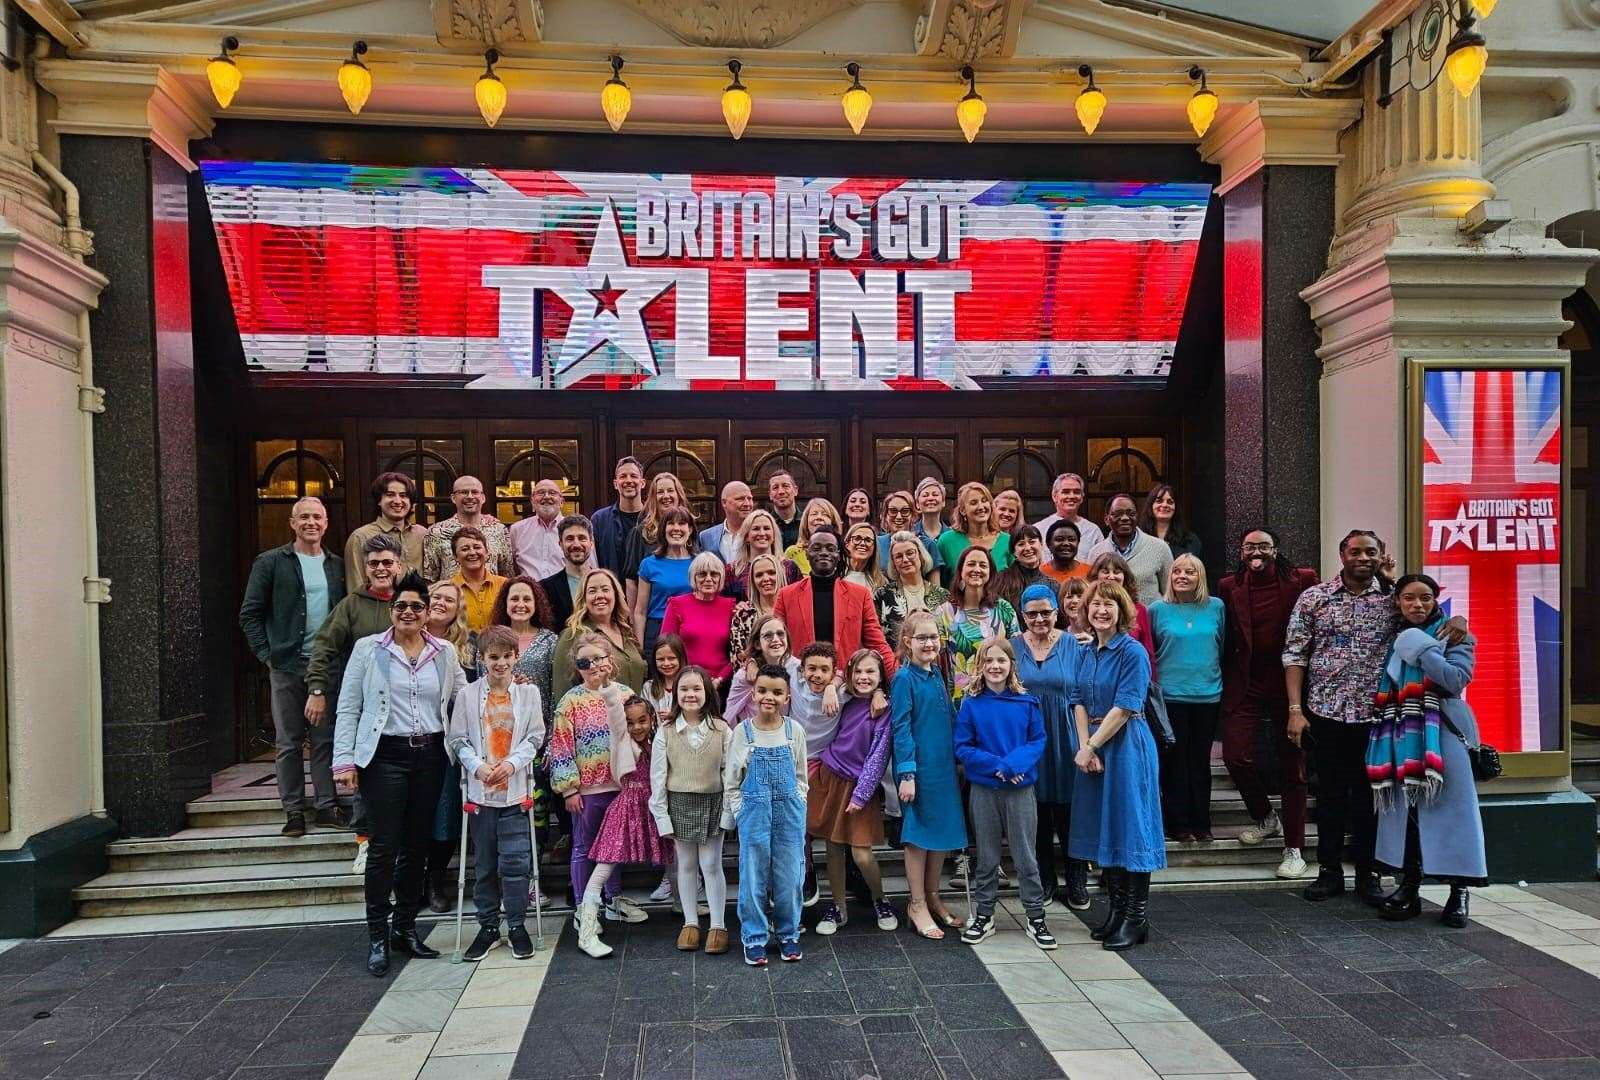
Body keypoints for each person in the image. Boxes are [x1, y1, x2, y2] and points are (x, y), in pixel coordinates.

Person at [1285, 530, 1466, 904]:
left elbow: (1429, 618)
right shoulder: (1314, 598)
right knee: (1331, 797)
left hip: (1379, 717)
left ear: (1381, 555)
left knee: (1373, 798)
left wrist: (1457, 617)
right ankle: (1329, 872)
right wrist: (1295, 711)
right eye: (1355, 551)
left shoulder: (1392, 599)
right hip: (1326, 713)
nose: (1362, 557)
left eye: (1370, 551)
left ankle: (1369, 873)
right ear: (1342, 554)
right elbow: (1294, 655)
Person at [333, 570, 468, 976]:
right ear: (392, 611)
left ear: (428, 613)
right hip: (384, 756)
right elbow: (349, 706)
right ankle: (377, 935)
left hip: (429, 755)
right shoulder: (368, 649)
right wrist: (344, 761)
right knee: (383, 847)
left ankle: (405, 928)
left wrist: (508, 688)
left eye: (416, 606)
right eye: (401, 606)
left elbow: (463, 697)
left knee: (417, 846)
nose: (408, 612)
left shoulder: (444, 651)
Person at [1369, 574, 1487, 927]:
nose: (1417, 605)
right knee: (1408, 812)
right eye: (1408, 598)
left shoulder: (1455, 635)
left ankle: (1459, 892)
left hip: (1444, 728)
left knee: (1453, 811)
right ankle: (1410, 885)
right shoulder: (1393, 636)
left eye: (1425, 598)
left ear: (1437, 600)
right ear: (1398, 602)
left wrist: (1421, 649)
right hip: (1400, 728)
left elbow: (1455, 680)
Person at [240, 496, 348, 837]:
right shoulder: (271, 562)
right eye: (304, 517)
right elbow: (250, 613)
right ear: (292, 522)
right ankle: (294, 810)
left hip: (327, 665)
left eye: (317, 517)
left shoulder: (337, 565)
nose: (311, 523)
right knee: (288, 740)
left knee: (324, 739)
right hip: (287, 665)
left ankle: (326, 804)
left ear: (326, 522)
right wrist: (266, 654)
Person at [1216, 528, 1317, 879]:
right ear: (1241, 552)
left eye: (1263, 546)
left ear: (1276, 549)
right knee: (1235, 754)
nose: (1256, 552)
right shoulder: (1230, 586)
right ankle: (1265, 817)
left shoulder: (1302, 580)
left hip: (1291, 685)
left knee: (1293, 767)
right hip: (1246, 684)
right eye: (1249, 546)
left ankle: (1294, 850)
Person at [1070, 580, 1163, 952]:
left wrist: (1092, 744)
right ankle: (1117, 911)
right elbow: (1076, 699)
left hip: (1125, 747)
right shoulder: (1088, 651)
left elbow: (1125, 707)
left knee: (1131, 828)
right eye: (1095, 605)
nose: (1101, 610)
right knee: (1106, 829)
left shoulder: (1132, 652)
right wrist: (1084, 748)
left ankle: (1136, 919)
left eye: (1109, 604)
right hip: (1094, 747)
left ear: (1121, 610)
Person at [447, 625, 545, 962]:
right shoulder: (467, 696)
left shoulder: (529, 695)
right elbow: (457, 738)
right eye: (493, 657)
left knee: (517, 863)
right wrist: (477, 766)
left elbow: (535, 736)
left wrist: (513, 764)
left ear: (516, 657)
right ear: (482, 659)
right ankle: (488, 927)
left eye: (506, 656)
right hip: (481, 793)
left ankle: (517, 925)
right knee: (486, 863)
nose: (500, 663)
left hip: (516, 792)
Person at [955, 639, 1054, 950]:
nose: (995, 666)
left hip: (1020, 789)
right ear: (980, 666)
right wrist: (997, 765)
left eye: (1001, 660)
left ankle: (1035, 916)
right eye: (989, 661)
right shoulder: (971, 704)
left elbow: (1037, 741)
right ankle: (985, 914)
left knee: (1026, 855)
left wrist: (1013, 766)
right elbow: (963, 746)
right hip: (985, 789)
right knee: (986, 856)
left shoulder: (1027, 703)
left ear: (1012, 664)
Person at [548, 633, 644, 926]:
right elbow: (561, 745)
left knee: (612, 846)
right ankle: (583, 907)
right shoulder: (571, 701)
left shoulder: (625, 694)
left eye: (598, 659)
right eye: (584, 661)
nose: (592, 666)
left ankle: (613, 899)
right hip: (588, 788)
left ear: (609, 661)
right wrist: (569, 789)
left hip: (620, 785)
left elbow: (638, 734)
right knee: (583, 846)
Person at [725, 663, 810, 966]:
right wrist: (740, 810)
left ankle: (788, 933)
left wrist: (799, 800)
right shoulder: (742, 732)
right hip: (754, 812)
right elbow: (732, 779)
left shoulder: (793, 731)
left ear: (787, 697)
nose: (768, 697)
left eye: (776, 692)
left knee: (789, 876)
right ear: (753, 693)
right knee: (753, 877)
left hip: (789, 813)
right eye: (762, 690)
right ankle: (754, 936)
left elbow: (801, 775)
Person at [891, 610, 968, 939]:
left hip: (942, 766)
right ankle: (917, 903)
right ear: (907, 642)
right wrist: (907, 772)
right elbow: (901, 727)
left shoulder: (937, 672)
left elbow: (948, 716)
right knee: (918, 836)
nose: (929, 643)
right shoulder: (904, 678)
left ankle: (934, 896)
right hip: (918, 768)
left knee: (940, 835)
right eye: (921, 637)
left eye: (934, 637)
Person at [577, 695, 673, 958]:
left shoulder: (659, 741)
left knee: (673, 857)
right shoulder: (622, 740)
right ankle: (586, 929)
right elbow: (615, 715)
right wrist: (607, 686)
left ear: (651, 718)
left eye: (642, 720)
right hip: (627, 806)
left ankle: (683, 907)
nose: (637, 727)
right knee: (605, 864)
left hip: (654, 807)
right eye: (631, 722)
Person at [810, 649, 897, 937]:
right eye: (858, 671)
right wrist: (836, 686)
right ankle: (838, 907)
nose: (863, 677)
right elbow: (838, 687)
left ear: (880, 676)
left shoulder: (884, 710)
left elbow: (878, 755)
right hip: (832, 776)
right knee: (833, 847)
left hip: (861, 785)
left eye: (871, 672)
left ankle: (880, 899)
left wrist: (861, 795)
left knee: (861, 854)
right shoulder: (845, 697)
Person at [1011, 583, 1087, 910]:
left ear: (1057, 612)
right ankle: (1045, 878)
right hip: (1030, 739)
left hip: (1068, 735)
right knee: (1036, 813)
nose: (1040, 619)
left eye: (1046, 612)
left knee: (1072, 812)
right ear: (1023, 615)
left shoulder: (1075, 645)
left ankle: (1077, 878)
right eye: (1033, 614)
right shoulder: (1011, 647)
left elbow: (1085, 693)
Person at [649, 666, 734, 955]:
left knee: (711, 864)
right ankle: (690, 922)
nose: (690, 694)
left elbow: (730, 774)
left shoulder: (722, 730)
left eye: (697, 689)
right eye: (684, 689)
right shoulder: (667, 731)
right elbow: (658, 776)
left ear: (707, 692)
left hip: (712, 802)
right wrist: (661, 815)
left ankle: (718, 925)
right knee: (685, 865)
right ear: (675, 694)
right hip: (679, 803)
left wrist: (728, 813)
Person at [1149, 554, 1224, 842]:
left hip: (1207, 695)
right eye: (1177, 571)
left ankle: (1202, 823)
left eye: (1189, 572)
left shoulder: (1216, 607)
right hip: (1171, 697)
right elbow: (1152, 651)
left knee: (1199, 763)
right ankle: (1178, 824)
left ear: (1200, 577)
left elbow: (1222, 645)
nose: (1182, 576)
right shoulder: (1158, 609)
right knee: (1174, 762)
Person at [305, 534, 406, 735]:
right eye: (373, 563)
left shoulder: (411, 603)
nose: (380, 569)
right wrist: (316, 689)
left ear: (398, 566)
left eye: (387, 562)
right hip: (363, 700)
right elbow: (323, 647)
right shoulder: (351, 605)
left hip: (405, 698)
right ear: (365, 567)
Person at [772, 524, 897, 676]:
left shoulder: (860, 595)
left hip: (845, 685)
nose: (824, 553)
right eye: (817, 548)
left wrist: (900, 678)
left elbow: (877, 644)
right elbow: (774, 643)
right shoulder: (786, 596)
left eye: (830, 549)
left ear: (838, 555)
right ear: (806, 553)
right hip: (800, 685)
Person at [422, 580, 476, 913]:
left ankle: (435, 881)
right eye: (435, 597)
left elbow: (472, 691)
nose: (441, 603)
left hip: (448, 741)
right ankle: (411, 880)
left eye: (448, 599)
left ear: (458, 609)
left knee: (444, 813)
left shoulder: (466, 646)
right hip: (405, 738)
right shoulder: (400, 638)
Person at [935, 546, 1019, 706]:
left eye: (983, 565)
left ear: (991, 572)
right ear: (960, 571)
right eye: (971, 564)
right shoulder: (944, 612)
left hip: (999, 699)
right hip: (959, 701)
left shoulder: (1004, 609)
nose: (977, 569)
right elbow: (936, 662)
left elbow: (1016, 656)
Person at [554, 568, 646, 694]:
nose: (599, 596)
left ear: (615, 594)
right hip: (595, 712)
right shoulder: (572, 635)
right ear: (584, 598)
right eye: (592, 591)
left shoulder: (627, 632)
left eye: (605, 589)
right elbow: (561, 689)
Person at [489, 577, 559, 723]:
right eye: (514, 599)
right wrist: (506, 683)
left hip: (539, 726)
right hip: (499, 725)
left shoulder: (549, 640)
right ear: (505, 603)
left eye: (527, 599)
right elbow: (481, 685)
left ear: (536, 604)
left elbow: (555, 692)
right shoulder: (491, 640)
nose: (521, 604)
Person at [660, 552, 737, 685]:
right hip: (684, 681)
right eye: (702, 574)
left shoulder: (731, 606)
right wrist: (686, 678)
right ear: (693, 578)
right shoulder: (676, 604)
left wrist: (720, 679)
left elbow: (737, 652)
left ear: (721, 577)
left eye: (714, 574)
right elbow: (666, 647)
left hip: (721, 683)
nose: (708, 579)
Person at [634, 506, 698, 664]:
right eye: (671, 523)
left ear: (690, 530)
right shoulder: (649, 564)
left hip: (689, 630)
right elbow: (640, 611)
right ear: (663, 529)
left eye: (682, 523)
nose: (676, 528)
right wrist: (639, 648)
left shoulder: (699, 563)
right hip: (656, 630)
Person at [1084, 493, 1172, 604]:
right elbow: (1090, 593)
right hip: (1107, 618)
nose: (1125, 518)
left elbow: (1170, 594)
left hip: (1148, 620)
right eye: (1117, 514)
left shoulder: (1160, 548)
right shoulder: (1096, 552)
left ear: (1137, 516)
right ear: (1106, 519)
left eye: (1131, 513)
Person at [423, 475, 513, 582]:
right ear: (453, 498)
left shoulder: (499, 530)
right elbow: (429, 578)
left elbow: (508, 575)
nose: (470, 496)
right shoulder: (436, 532)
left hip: (491, 597)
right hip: (452, 597)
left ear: (483, 497)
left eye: (475, 492)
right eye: (464, 492)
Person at [345, 472, 426, 590]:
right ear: (379, 500)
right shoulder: (360, 537)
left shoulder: (422, 534)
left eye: (403, 495)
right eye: (390, 494)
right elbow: (356, 588)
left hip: (417, 606)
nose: (398, 501)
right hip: (376, 606)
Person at [623, 472, 691, 606]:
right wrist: (633, 618)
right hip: (654, 614)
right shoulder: (640, 533)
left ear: (679, 495)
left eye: (670, 490)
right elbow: (631, 580)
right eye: (660, 492)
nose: (666, 496)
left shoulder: (688, 531)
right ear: (654, 498)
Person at [875, 530, 950, 649]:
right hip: (897, 664)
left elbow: (948, 637)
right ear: (893, 563)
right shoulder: (882, 595)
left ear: (920, 555)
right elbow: (876, 638)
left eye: (910, 553)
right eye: (898, 556)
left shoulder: (942, 595)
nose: (905, 559)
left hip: (935, 664)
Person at [726, 613, 801, 724]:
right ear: (757, 644)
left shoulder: (796, 667)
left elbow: (824, 673)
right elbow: (729, 716)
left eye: (780, 634)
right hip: (752, 736)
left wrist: (831, 686)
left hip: (784, 736)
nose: (776, 639)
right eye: (768, 635)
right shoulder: (744, 677)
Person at [1089, 553, 1157, 668]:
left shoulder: (1139, 610)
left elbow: (1148, 652)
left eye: (1116, 572)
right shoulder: (1089, 608)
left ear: (1125, 576)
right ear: (1096, 576)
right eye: (1105, 572)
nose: (1111, 576)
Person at [937, 481, 1012, 573]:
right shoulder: (947, 541)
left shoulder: (1007, 541)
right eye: (974, 503)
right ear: (963, 510)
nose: (981, 507)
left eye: (984, 501)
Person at [726, 509, 800, 601]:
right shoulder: (732, 571)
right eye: (756, 529)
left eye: (766, 528)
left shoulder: (789, 567)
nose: (762, 533)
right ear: (746, 537)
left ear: (774, 536)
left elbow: (799, 601)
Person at [727, 552, 787, 665]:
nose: (766, 578)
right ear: (753, 581)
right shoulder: (743, 614)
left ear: (780, 574)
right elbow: (738, 658)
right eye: (759, 575)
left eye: (771, 573)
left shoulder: (792, 609)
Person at [511, 478, 576, 581]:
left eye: (552, 493)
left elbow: (588, 567)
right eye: (540, 493)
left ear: (562, 502)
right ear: (532, 501)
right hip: (529, 595)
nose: (546, 497)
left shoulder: (575, 529)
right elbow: (510, 568)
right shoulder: (517, 530)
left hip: (564, 595)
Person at [537, 514, 593, 630]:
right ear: (560, 544)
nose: (576, 544)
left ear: (591, 543)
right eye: (570, 539)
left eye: (582, 538)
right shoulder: (545, 588)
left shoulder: (607, 584)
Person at [591, 457, 645, 577]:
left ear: (642, 483)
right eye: (623, 476)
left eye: (634, 476)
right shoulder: (599, 520)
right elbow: (593, 561)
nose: (628, 480)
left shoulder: (654, 518)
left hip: (647, 592)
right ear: (616, 484)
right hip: (610, 592)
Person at [448, 527, 507, 635]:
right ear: (455, 556)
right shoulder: (449, 589)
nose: (472, 552)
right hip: (462, 649)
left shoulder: (505, 585)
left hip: (500, 648)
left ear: (487, 552)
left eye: (477, 547)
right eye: (465, 549)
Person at [1035, 473, 1104, 554]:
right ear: (1054, 496)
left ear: (1082, 497)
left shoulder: (1093, 531)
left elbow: (1102, 563)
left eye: (1076, 492)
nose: (1071, 496)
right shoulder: (1039, 529)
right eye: (1066, 492)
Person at [699, 480, 755, 566]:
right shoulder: (706, 537)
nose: (747, 504)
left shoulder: (760, 534)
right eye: (740, 499)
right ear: (724, 502)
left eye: (750, 499)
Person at [1139, 483, 1202, 559]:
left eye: (1170, 502)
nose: (1165, 505)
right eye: (1159, 501)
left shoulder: (1190, 540)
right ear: (1151, 506)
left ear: (1176, 508)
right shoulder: (1139, 539)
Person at [783, 497, 844, 575]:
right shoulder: (793, 553)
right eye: (814, 514)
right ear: (806, 521)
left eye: (825, 514)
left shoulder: (841, 553)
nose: (819, 517)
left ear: (833, 522)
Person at [996, 524, 1046, 611]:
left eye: (1032, 542)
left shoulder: (1051, 584)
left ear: (1041, 544)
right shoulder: (1001, 581)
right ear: (1013, 551)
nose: (1027, 548)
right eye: (1021, 544)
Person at [912, 477, 951, 587]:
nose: (930, 498)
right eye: (925, 495)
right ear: (917, 504)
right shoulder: (910, 535)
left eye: (935, 494)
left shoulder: (952, 536)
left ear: (943, 502)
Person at [642, 634, 686, 717]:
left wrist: (676, 717)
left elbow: (698, 715)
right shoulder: (648, 687)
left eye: (671, 658)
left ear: (681, 658)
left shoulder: (690, 686)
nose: (666, 663)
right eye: (661, 659)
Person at [874, 490, 918, 568]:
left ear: (913, 515)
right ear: (885, 515)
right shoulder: (876, 544)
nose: (898, 517)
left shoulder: (926, 544)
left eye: (905, 511)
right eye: (893, 511)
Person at [1040, 519, 1090, 585]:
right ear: (1049, 544)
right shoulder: (1040, 573)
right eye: (1059, 539)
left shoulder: (1089, 573)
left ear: (1078, 543)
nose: (1066, 543)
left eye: (1071, 539)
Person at [842, 521, 886, 591]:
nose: (862, 543)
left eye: (868, 540)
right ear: (847, 543)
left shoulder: (881, 582)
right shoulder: (836, 575)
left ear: (874, 547)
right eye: (857, 539)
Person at [767, 469, 803, 549]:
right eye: (775, 487)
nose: (781, 491)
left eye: (785, 486)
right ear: (770, 495)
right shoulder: (765, 524)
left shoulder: (806, 522)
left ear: (795, 491)